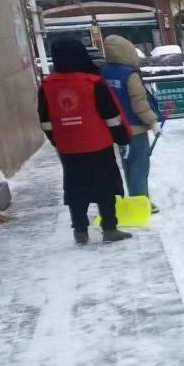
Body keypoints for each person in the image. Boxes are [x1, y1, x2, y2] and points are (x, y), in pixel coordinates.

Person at [38, 39, 132, 245]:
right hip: (98, 144)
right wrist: (122, 137)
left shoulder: (47, 85)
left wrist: (58, 140)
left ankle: (80, 230)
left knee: (75, 187)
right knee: (105, 186)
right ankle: (109, 228)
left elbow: (45, 120)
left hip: (69, 148)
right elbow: (111, 115)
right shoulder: (93, 82)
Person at [101, 35, 161, 211]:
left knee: (128, 164)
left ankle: (134, 198)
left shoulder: (105, 73)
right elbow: (139, 103)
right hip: (134, 128)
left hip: (115, 127)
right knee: (140, 165)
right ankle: (141, 202)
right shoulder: (130, 75)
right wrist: (153, 122)